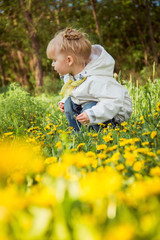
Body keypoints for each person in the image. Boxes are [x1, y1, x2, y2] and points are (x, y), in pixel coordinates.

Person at [46, 27, 132, 131]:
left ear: (69, 60)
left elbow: (114, 101)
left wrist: (92, 114)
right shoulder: (72, 76)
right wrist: (65, 101)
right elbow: (80, 92)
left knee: (90, 106)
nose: (52, 64)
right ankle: (77, 133)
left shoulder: (96, 79)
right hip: (93, 105)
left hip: (113, 113)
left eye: (54, 60)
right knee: (69, 103)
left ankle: (102, 133)